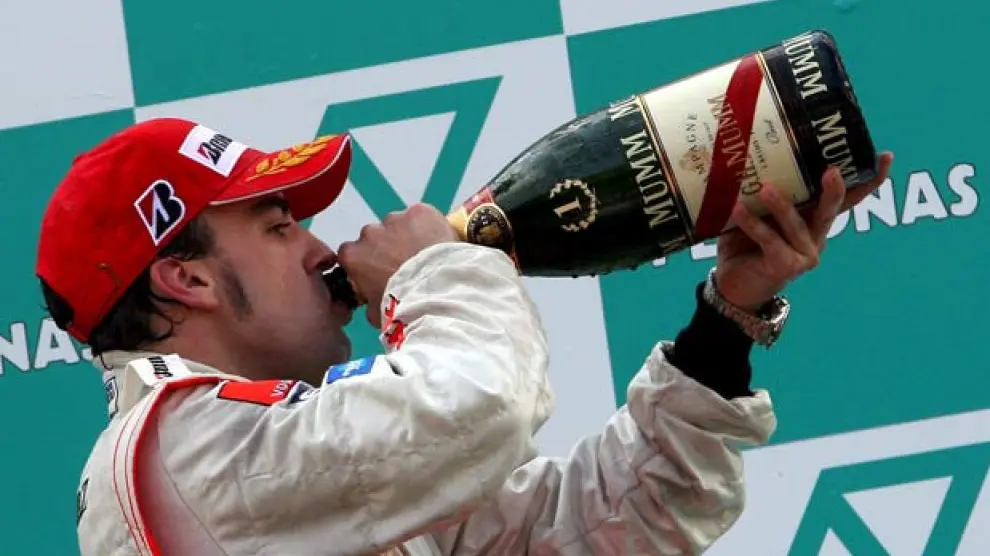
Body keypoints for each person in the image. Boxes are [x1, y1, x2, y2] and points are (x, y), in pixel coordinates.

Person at [37, 117, 892, 556]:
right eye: (278, 226)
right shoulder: (171, 455)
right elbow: (482, 409)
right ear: (186, 280)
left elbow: (598, 528)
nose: (322, 250)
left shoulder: (272, 449)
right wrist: (431, 269)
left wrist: (727, 314)